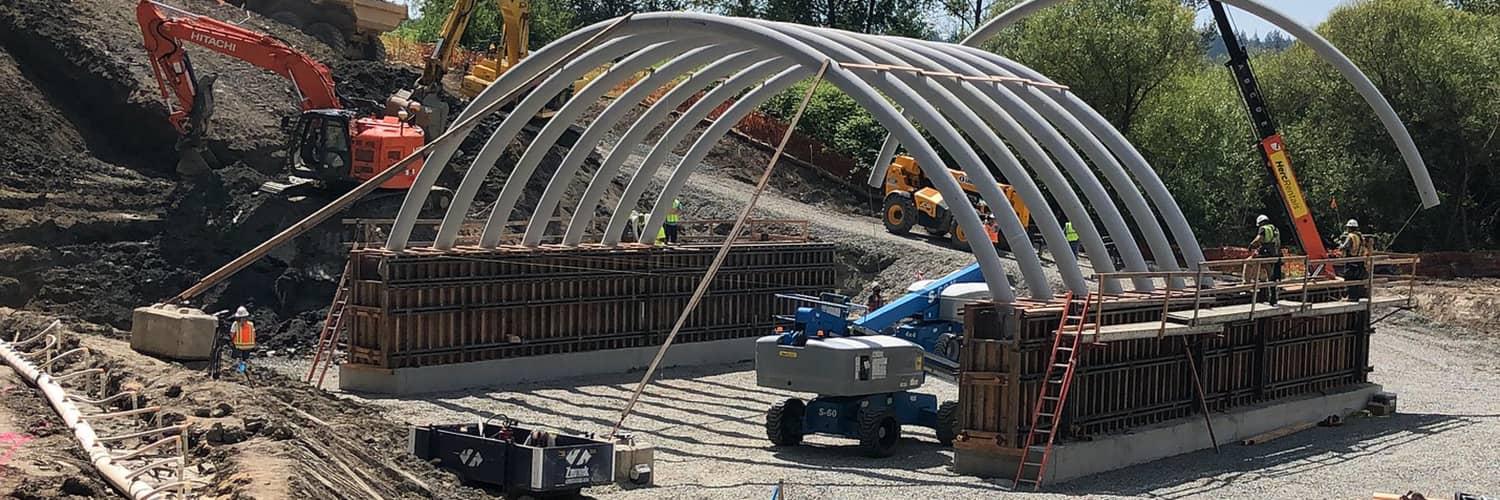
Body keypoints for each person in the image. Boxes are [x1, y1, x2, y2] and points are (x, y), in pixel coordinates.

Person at [1248, 214, 1282, 305]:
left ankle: (1247, 284)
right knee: (1272, 275)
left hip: (1267, 254)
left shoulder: (1263, 229)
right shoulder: (1275, 228)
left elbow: (1259, 238)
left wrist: (1251, 244)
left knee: (1249, 262)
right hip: (1276, 254)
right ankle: (1273, 297)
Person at [1338, 219, 1370, 301]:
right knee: (1357, 279)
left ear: (1349, 228)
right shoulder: (1360, 236)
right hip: (1359, 261)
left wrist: (1340, 245)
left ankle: (1351, 297)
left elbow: (1345, 247)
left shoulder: (1351, 236)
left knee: (1349, 279)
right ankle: (1356, 297)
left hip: (1351, 261)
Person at [229, 306, 256, 374]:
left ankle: (238, 370)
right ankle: (242, 369)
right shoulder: (251, 324)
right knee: (244, 359)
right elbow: (254, 334)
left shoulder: (235, 324)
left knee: (236, 357)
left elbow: (232, 334)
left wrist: (232, 341)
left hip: (239, 345)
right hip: (249, 346)